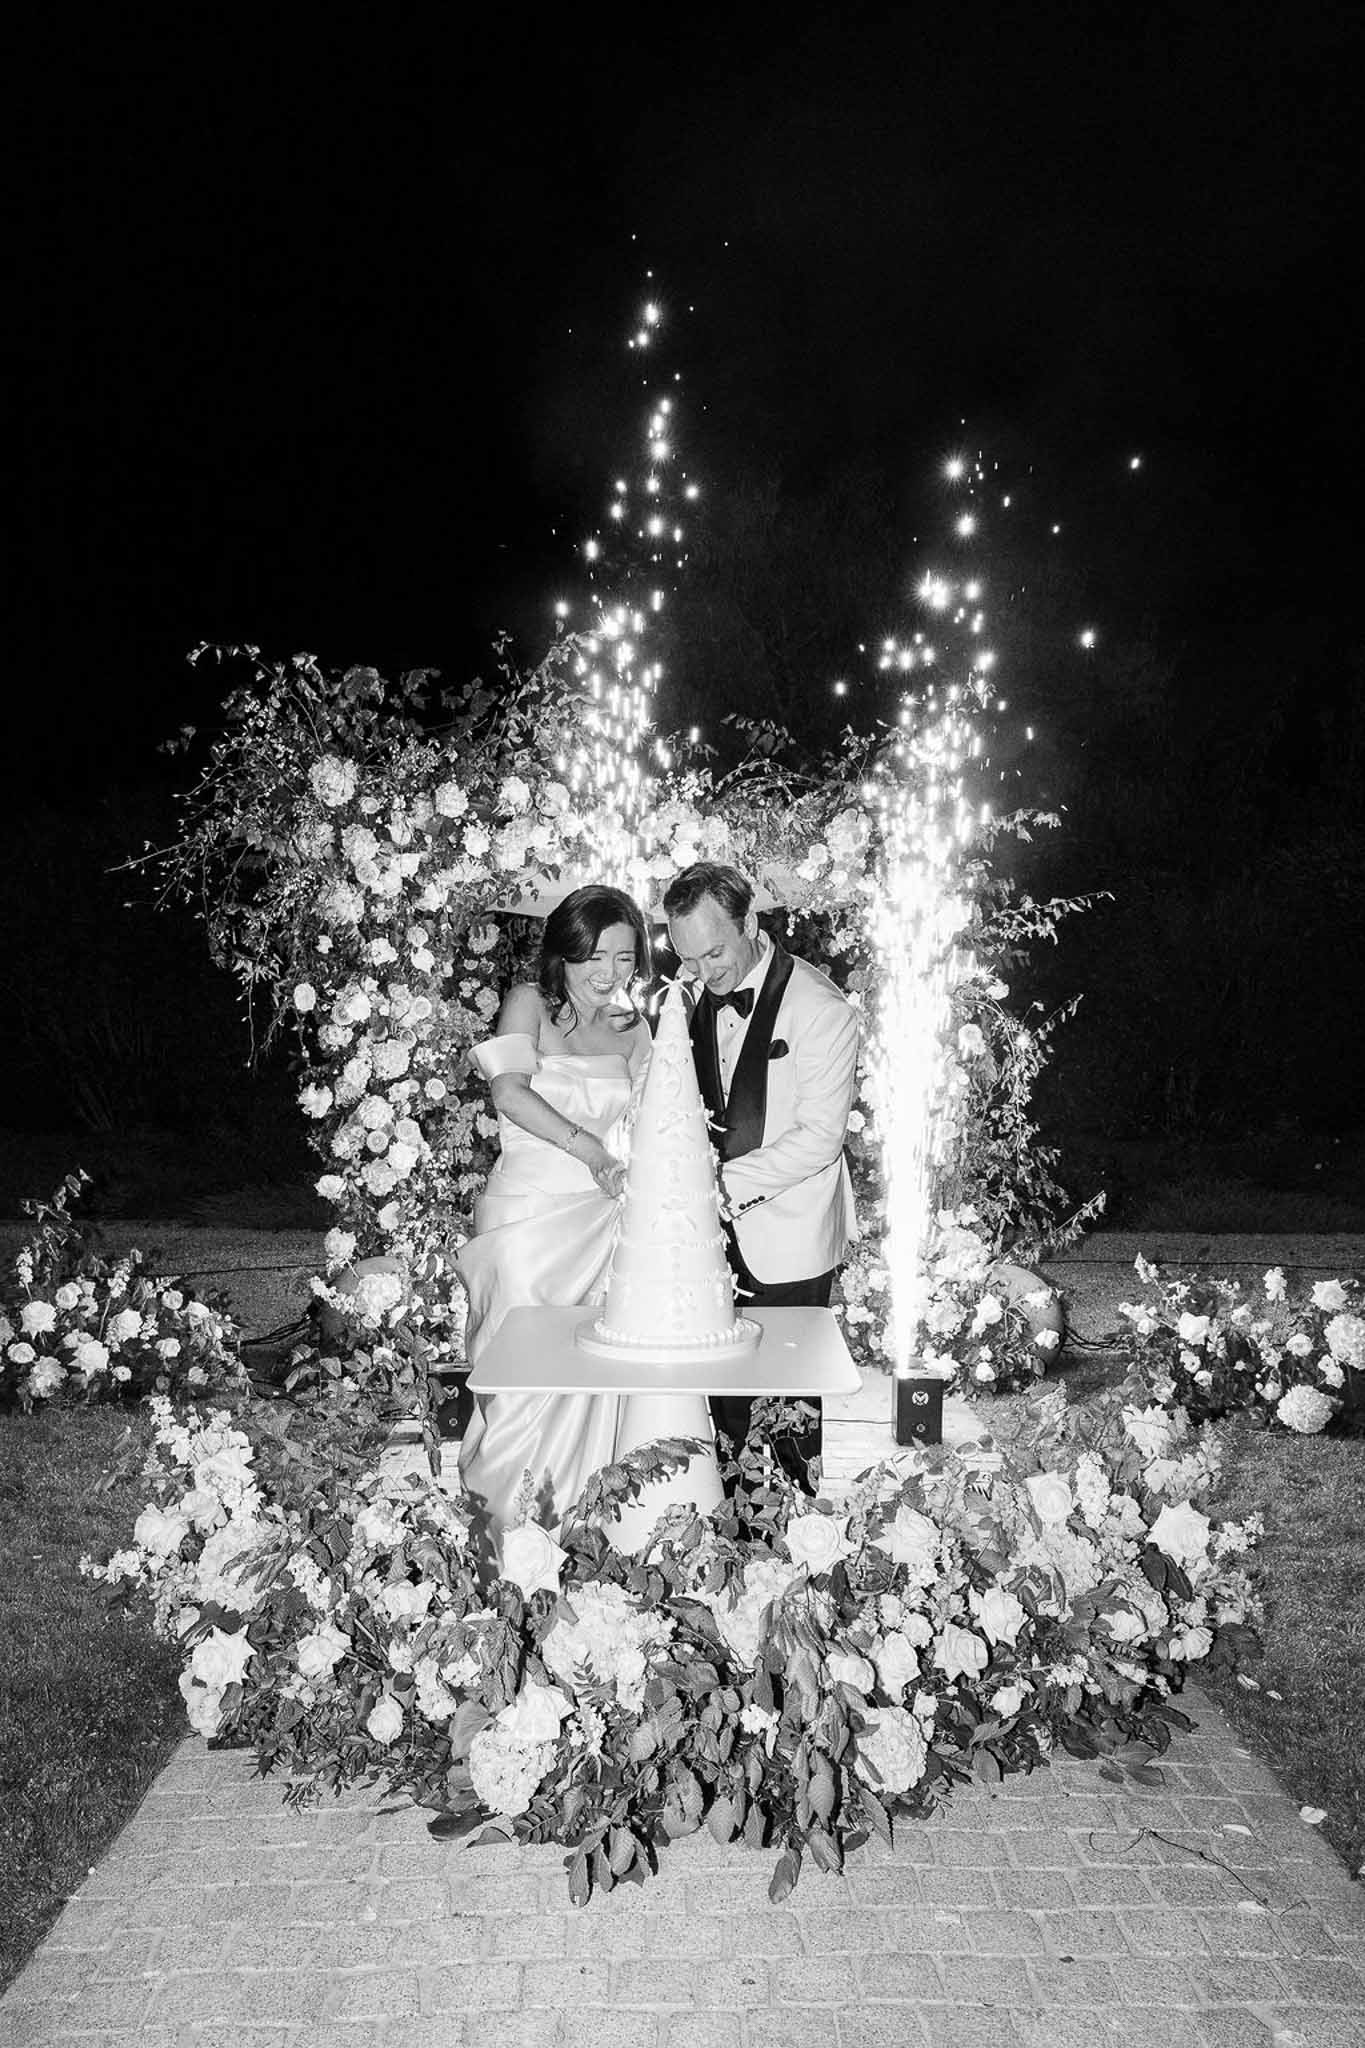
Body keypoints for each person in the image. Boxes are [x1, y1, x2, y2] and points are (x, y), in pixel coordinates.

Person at [456, 883, 721, 1546]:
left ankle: (584, 1530)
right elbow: (509, 1093)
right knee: (520, 1380)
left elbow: (656, 1117)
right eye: (593, 959)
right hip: (526, 1219)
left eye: (624, 958)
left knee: (597, 1380)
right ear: (564, 958)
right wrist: (592, 1151)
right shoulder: (528, 1005)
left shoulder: (635, 1025)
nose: (608, 974)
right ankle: (507, 1530)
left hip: (603, 1222)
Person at [663, 861, 859, 1490]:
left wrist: (715, 1187)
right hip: (709, 1243)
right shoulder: (691, 995)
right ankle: (725, 1532)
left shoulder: (821, 1008)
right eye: (689, 957)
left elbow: (821, 1140)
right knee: (721, 1394)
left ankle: (790, 1551)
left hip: (790, 1239)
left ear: (749, 922)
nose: (702, 971)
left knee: (787, 1407)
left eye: (714, 952)